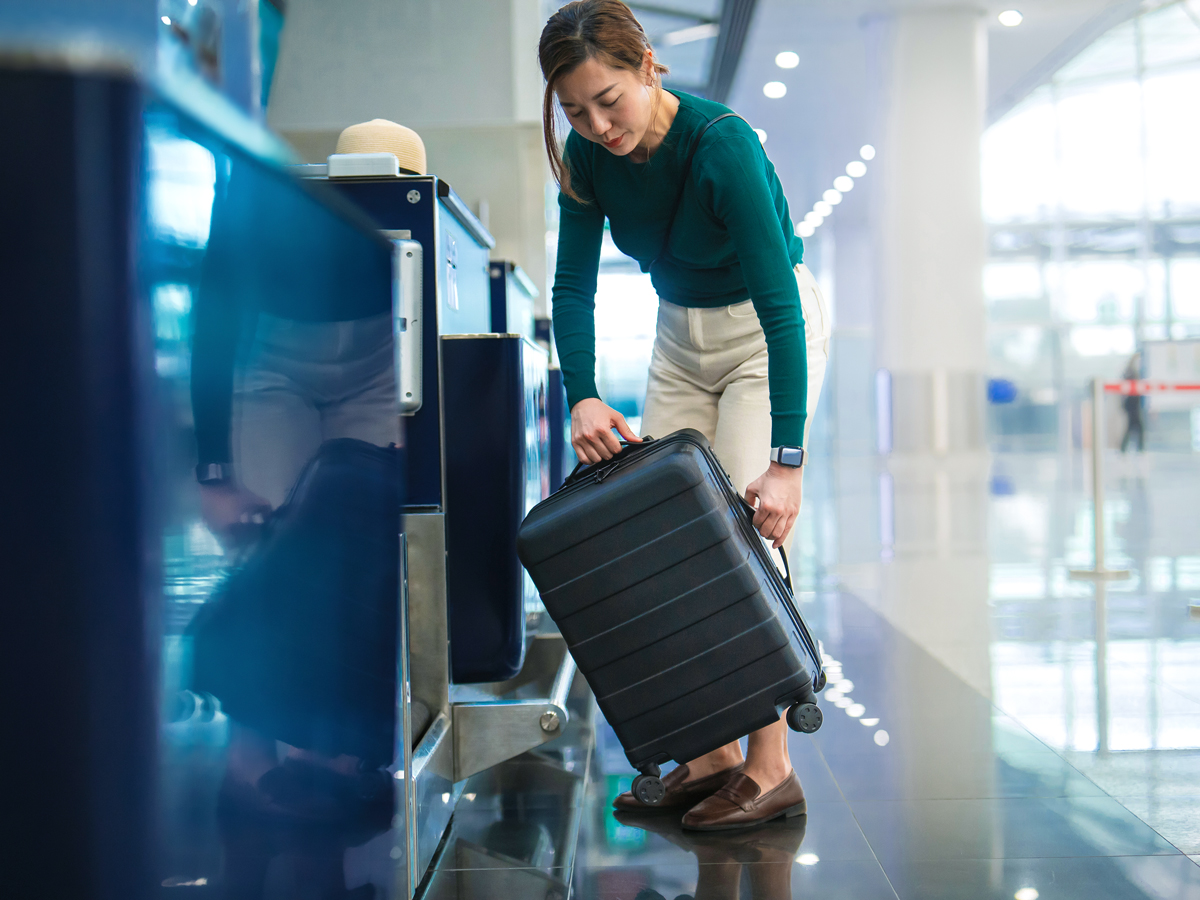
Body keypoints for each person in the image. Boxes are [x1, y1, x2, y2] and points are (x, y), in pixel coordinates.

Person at [540, 0, 831, 831]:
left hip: (761, 331)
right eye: (574, 110)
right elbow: (572, 286)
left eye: (609, 100)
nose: (597, 125)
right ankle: (712, 755)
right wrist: (584, 393)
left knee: (744, 534)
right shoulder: (590, 162)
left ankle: (771, 767)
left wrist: (787, 460)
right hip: (678, 335)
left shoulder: (721, 144)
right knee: (662, 532)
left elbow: (780, 303)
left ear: (648, 69)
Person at [1120, 352, 1144, 453]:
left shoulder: (1134, 372)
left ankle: (1136, 449)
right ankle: (1138, 450)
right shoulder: (1130, 372)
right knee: (1135, 427)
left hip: (1134, 403)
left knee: (1133, 427)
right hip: (1131, 404)